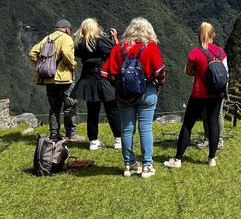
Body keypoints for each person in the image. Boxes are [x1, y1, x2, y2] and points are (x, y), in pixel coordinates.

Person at [101, 17, 166, 178]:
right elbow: (160, 72)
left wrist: (117, 85)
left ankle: (129, 165)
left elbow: (106, 73)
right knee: (145, 128)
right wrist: (158, 85)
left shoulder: (119, 48)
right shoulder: (151, 47)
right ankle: (147, 166)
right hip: (147, 91)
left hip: (124, 94)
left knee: (127, 128)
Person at [165, 22, 227, 169]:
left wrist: (197, 72)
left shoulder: (195, 53)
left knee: (188, 124)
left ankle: (178, 159)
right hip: (217, 93)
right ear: (213, 35)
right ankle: (212, 158)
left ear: (199, 35)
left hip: (199, 94)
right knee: (213, 124)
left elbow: (188, 71)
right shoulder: (220, 52)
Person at [71, 18, 122, 150]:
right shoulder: (100, 41)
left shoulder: (80, 44)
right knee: (112, 109)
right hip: (103, 79)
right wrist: (114, 38)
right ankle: (118, 139)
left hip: (87, 79)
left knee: (92, 111)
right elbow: (116, 52)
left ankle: (93, 141)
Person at [28, 19, 82, 141]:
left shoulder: (47, 38)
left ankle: (54, 134)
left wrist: (43, 65)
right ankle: (71, 134)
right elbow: (66, 53)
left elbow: (32, 53)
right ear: (67, 29)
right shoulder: (66, 38)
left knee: (54, 107)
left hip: (49, 78)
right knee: (70, 105)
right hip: (64, 78)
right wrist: (73, 65)